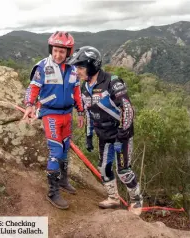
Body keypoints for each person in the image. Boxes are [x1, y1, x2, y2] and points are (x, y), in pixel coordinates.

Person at [66, 46, 143, 215]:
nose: (77, 71)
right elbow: (88, 112)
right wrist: (88, 135)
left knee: (123, 170)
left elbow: (127, 109)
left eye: (80, 67)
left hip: (120, 133)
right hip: (103, 134)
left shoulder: (113, 81)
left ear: (92, 65)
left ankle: (136, 201)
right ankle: (113, 199)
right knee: (104, 168)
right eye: (76, 67)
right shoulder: (84, 87)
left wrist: (123, 133)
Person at [22, 31, 84, 210]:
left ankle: (63, 181)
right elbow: (33, 88)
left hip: (67, 114)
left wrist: (80, 111)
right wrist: (29, 105)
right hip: (50, 114)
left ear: (68, 53)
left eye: (62, 52)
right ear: (51, 49)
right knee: (56, 151)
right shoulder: (43, 67)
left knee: (65, 149)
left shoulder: (73, 69)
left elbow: (77, 92)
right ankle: (52, 192)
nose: (58, 55)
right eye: (55, 50)